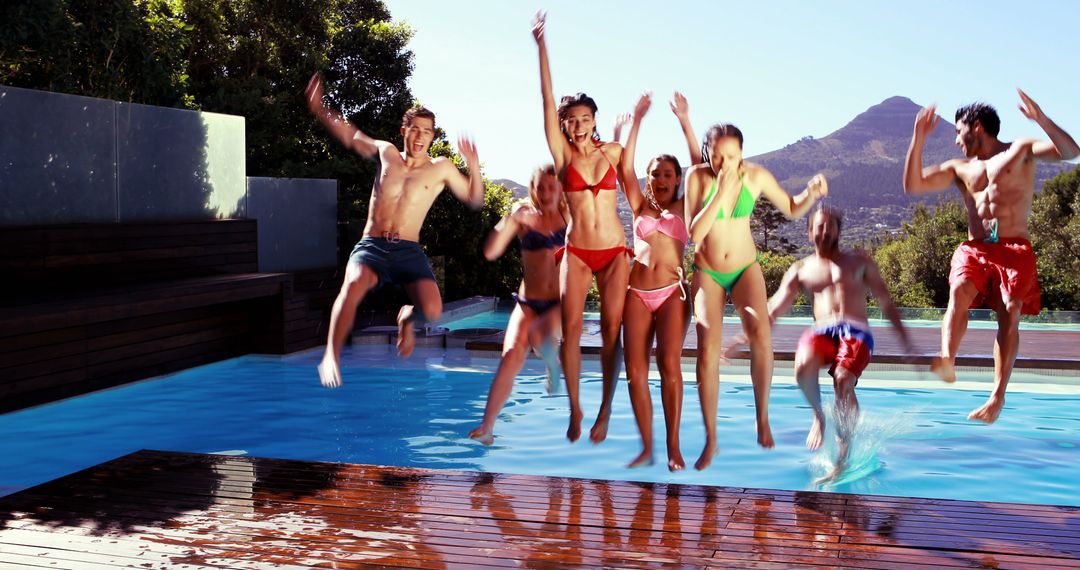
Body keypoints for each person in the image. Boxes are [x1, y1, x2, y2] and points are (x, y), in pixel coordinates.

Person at [903, 89, 1078, 423]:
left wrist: (1041, 118)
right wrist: (917, 138)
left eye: (958, 131)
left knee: (1010, 311)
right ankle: (947, 358)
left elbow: (1070, 152)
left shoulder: (1020, 151)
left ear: (977, 126)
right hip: (977, 248)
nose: (956, 140)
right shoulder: (960, 168)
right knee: (959, 289)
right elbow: (913, 184)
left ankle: (997, 397)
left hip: (1014, 248)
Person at [305, 73, 485, 388]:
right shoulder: (387, 153)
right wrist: (321, 108)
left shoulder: (440, 168)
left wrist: (473, 164)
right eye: (414, 129)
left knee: (433, 309)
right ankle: (331, 356)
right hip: (372, 246)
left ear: (432, 137)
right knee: (353, 286)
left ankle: (406, 318)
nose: (419, 136)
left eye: (426, 132)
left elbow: (474, 198)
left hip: (408, 251)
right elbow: (351, 136)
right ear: (404, 131)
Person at [684, 110, 828, 469]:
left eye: (731, 156)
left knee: (762, 334)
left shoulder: (756, 176)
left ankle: (762, 417)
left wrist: (810, 193)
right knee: (708, 349)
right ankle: (711, 438)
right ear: (707, 152)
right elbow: (694, 233)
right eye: (716, 155)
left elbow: (793, 208)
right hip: (709, 272)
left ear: (742, 154)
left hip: (745, 267)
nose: (724, 162)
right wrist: (720, 190)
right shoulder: (698, 178)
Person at [748, 206, 912, 479]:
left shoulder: (859, 262)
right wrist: (745, 334)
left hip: (856, 332)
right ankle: (818, 416)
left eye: (830, 226)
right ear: (809, 231)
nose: (824, 231)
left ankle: (841, 459)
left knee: (843, 379)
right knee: (802, 367)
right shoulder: (801, 269)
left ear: (838, 230)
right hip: (822, 331)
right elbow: (774, 308)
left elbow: (886, 301)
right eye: (819, 226)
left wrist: (906, 339)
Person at [533, 12, 633, 443]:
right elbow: (545, 97)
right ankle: (576, 409)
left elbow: (639, 197)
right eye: (570, 119)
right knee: (570, 332)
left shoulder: (613, 152)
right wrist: (542, 47)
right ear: (564, 124)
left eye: (584, 117)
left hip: (614, 253)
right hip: (575, 253)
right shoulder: (563, 157)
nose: (577, 125)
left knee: (613, 332)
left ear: (595, 119)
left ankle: (606, 411)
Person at [618, 92, 700, 471]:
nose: (661, 178)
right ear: (648, 179)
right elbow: (624, 165)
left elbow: (701, 167)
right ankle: (646, 444)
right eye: (655, 173)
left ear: (678, 179)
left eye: (668, 174)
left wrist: (684, 119)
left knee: (669, 364)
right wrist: (637, 120)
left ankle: (673, 446)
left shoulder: (686, 206)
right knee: (634, 371)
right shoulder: (639, 206)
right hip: (636, 293)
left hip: (672, 294)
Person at [469, 165, 568, 445]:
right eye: (540, 187)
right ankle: (487, 426)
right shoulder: (524, 216)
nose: (545, 193)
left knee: (538, 336)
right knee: (510, 355)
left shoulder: (569, 216)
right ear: (532, 188)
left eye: (551, 187)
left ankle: (552, 363)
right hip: (526, 302)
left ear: (560, 189)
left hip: (558, 304)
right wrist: (509, 220)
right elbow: (491, 251)